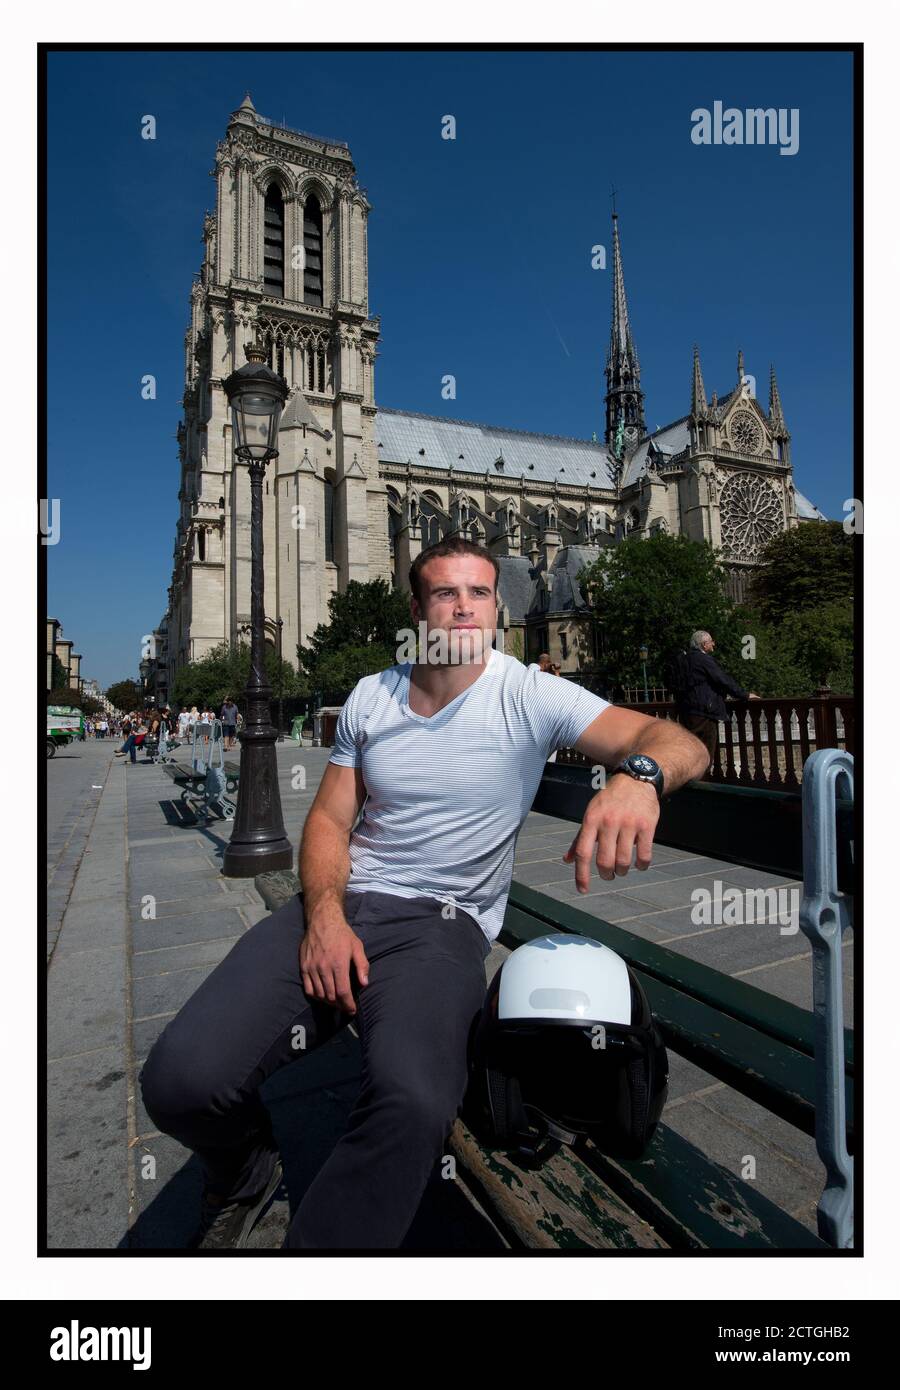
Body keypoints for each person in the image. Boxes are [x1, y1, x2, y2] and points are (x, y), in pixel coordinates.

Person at [139, 538, 709, 1251]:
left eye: (479, 593)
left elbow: (678, 739)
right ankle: (249, 1167)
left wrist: (640, 775)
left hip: (441, 927)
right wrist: (322, 917)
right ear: (418, 609)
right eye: (446, 593)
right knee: (177, 1082)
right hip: (340, 904)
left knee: (414, 1101)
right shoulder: (372, 695)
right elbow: (327, 820)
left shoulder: (529, 693)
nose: (464, 606)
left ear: (499, 610)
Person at [674, 630, 760, 770]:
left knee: (689, 751)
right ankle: (702, 783)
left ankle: (689, 783)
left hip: (685, 711)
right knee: (705, 754)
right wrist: (744, 695)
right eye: (711, 641)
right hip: (704, 712)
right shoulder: (703, 660)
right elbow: (722, 680)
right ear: (704, 644)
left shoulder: (684, 659)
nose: (713, 643)